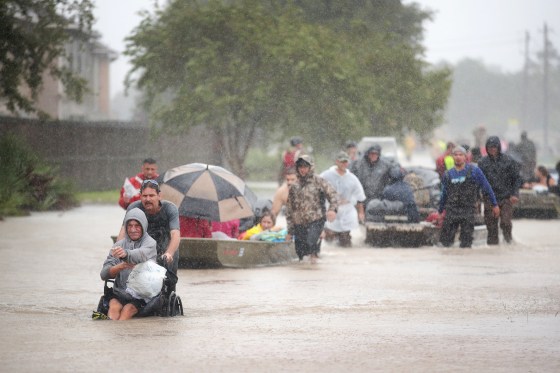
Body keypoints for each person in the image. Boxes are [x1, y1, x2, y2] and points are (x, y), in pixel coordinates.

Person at [98, 208, 157, 320]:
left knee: (127, 310)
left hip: (142, 295)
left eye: (137, 226)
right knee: (114, 307)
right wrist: (120, 267)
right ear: (125, 227)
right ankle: (112, 335)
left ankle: (123, 334)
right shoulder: (118, 246)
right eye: (129, 226)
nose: (133, 229)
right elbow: (104, 274)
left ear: (143, 226)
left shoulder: (150, 243)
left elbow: (140, 254)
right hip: (120, 292)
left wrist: (125, 255)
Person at [438, 146, 500, 248]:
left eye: (460, 155)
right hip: (451, 210)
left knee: (466, 243)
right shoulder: (448, 174)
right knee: (445, 243)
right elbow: (444, 194)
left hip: (468, 210)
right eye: (456, 155)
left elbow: (487, 187)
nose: (458, 157)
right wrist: (440, 211)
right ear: (452, 157)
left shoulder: (474, 171)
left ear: (465, 157)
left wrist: (494, 204)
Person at [117, 179, 180, 275]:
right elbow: (123, 232)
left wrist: (169, 253)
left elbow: (175, 234)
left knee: (168, 279)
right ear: (140, 196)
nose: (148, 199)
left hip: (165, 249)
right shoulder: (134, 208)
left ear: (159, 196)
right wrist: (119, 251)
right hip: (142, 248)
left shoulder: (170, 209)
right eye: (145, 196)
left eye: (151, 196)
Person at [285, 155, 338, 263]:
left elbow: (333, 195)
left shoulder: (319, 181)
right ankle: (304, 278)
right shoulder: (294, 186)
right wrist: (290, 231)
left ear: (310, 167)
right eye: (300, 167)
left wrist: (332, 209)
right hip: (299, 223)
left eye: (305, 166)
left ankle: (315, 267)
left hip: (316, 220)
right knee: (301, 255)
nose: (302, 169)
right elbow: (289, 209)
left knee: (311, 245)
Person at [478, 136, 522, 245]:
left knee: (505, 222)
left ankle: (508, 242)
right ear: (486, 148)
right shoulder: (482, 163)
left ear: (499, 147)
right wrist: (476, 198)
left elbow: (517, 178)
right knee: (491, 226)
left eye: (494, 147)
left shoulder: (508, 161)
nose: (492, 149)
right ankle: (493, 250)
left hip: (506, 197)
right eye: (490, 147)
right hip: (489, 199)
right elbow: (478, 181)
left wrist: (514, 194)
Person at [320, 151, 366, 247]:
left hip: (346, 211)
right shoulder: (326, 175)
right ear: (337, 162)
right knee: (329, 237)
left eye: (346, 162)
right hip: (330, 209)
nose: (344, 164)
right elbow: (316, 189)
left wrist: (361, 212)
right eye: (342, 162)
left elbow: (360, 196)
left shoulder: (352, 178)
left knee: (345, 240)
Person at [349, 144, 393, 208]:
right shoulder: (358, 164)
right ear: (368, 154)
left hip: (377, 199)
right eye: (371, 153)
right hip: (361, 198)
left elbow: (392, 175)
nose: (373, 156)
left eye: (376, 154)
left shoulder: (385, 165)